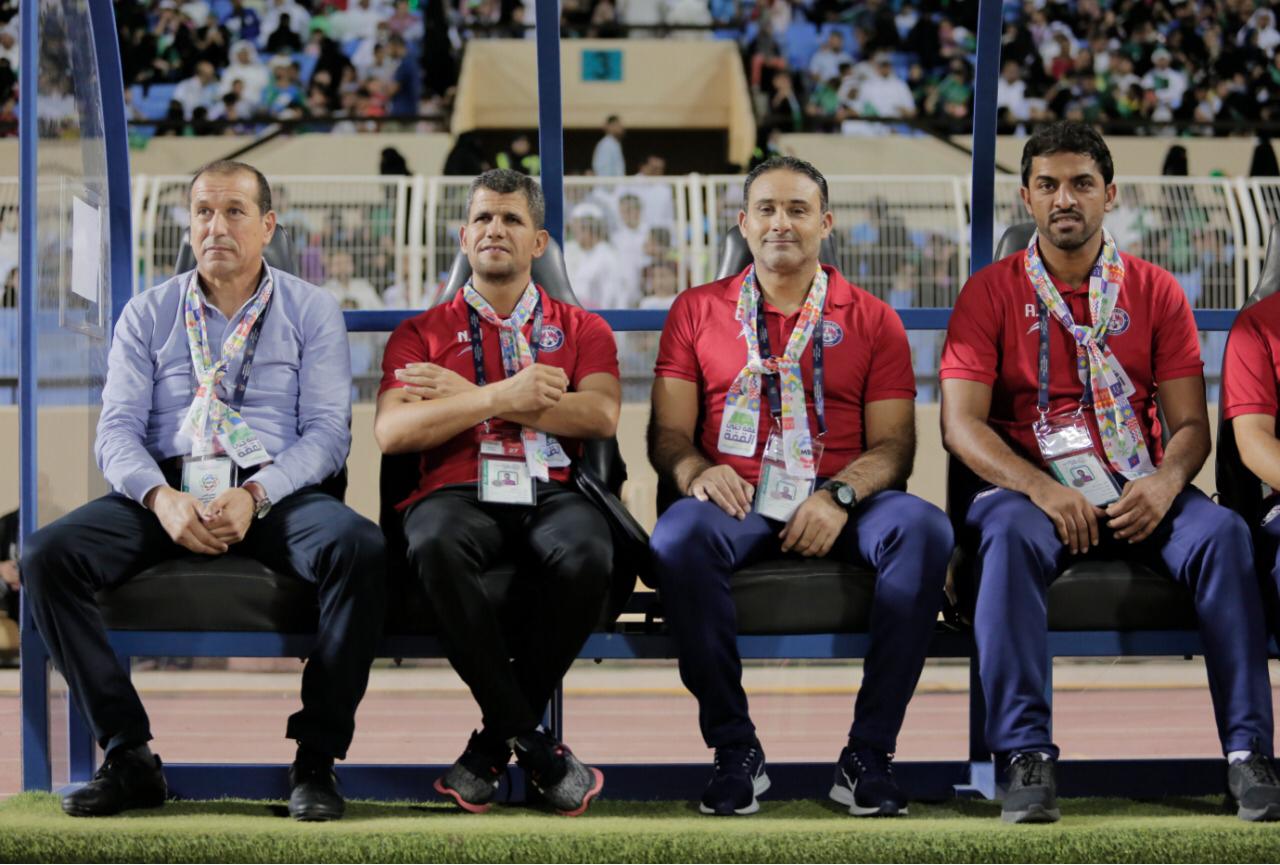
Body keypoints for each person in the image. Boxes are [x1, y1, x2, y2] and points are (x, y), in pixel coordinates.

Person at [20, 161, 387, 822]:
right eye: (203, 213)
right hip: (168, 487)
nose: (216, 226)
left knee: (358, 546)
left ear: (268, 225)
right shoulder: (149, 312)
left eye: (235, 211)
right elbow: (116, 433)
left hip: (276, 493)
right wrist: (161, 497)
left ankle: (315, 759)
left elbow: (329, 434)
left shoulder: (310, 309)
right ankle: (130, 754)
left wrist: (256, 493)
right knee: (46, 554)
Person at [940, 121, 1280, 824]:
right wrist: (1039, 487)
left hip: (1138, 485)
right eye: (1049, 185)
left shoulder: (1155, 291)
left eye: (1082, 184)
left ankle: (1249, 753)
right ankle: (1024, 755)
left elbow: (1189, 426)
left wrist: (1164, 483)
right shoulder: (988, 293)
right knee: (1002, 535)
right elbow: (961, 424)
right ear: (1027, 200)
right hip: (1029, 491)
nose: (1066, 198)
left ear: (1110, 194)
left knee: (1223, 534)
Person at [647, 156, 952, 817]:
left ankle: (868, 753)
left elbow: (896, 446)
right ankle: (735, 749)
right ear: (743, 223)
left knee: (925, 528)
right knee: (676, 535)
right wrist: (697, 471)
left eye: (797, 210)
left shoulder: (873, 319)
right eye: (766, 209)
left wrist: (839, 494)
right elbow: (667, 436)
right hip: (737, 498)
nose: (780, 222)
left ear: (826, 224)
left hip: (846, 500)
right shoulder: (697, 310)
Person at [374, 169, 619, 816]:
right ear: (463, 236)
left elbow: (599, 417)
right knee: (430, 540)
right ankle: (536, 746)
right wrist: (500, 397)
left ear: (539, 242)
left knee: (590, 552)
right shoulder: (419, 331)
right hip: (456, 493)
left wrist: (464, 396)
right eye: (482, 218)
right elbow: (394, 430)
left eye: (511, 219)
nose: (494, 230)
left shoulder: (582, 327)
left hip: (551, 489)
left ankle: (491, 745)